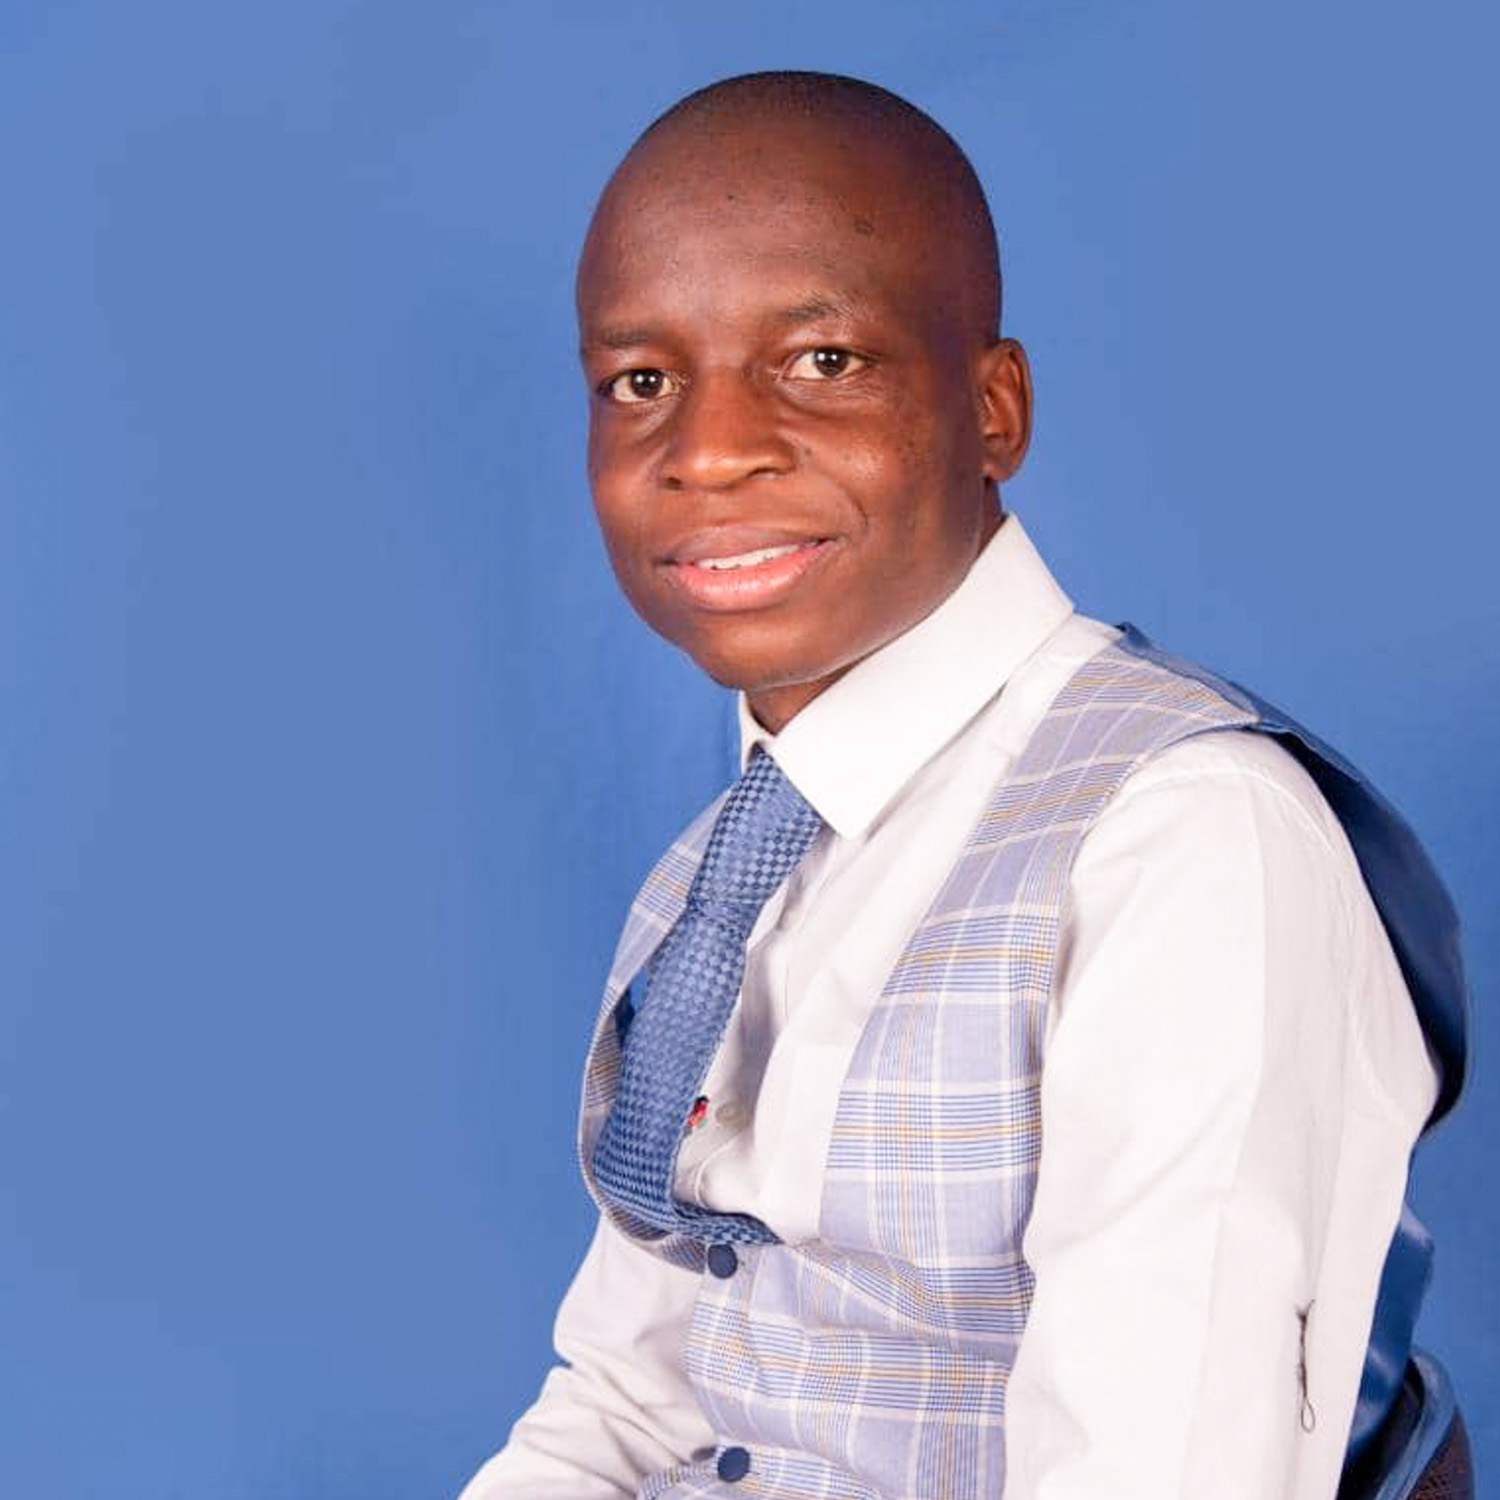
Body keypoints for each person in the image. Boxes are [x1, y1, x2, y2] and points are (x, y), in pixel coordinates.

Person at [458, 71, 1465, 1500]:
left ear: (994, 412)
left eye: (822, 360)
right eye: (642, 382)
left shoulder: (1182, 846)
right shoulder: (723, 872)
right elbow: (630, 1399)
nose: (709, 450)